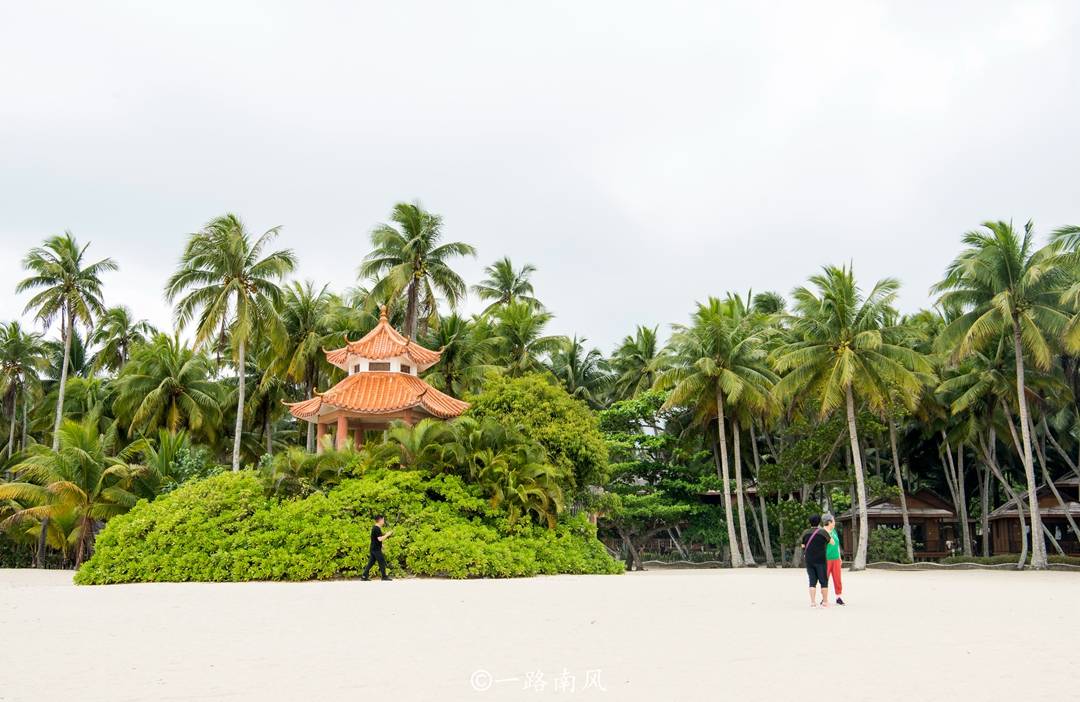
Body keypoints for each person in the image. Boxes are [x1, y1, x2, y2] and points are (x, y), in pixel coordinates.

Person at [800, 514, 830, 608]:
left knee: (812, 581)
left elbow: (802, 545)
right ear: (819, 522)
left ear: (810, 522)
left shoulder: (805, 532)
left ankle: (813, 602)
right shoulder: (823, 532)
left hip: (809, 560)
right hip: (821, 559)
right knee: (823, 581)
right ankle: (825, 602)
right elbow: (829, 541)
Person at [361, 515, 393, 581]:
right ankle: (384, 577)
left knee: (371, 563)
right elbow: (380, 539)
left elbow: (375, 539)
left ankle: (364, 576)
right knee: (382, 561)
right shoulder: (376, 528)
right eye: (383, 520)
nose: (384, 522)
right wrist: (387, 534)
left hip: (374, 548)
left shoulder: (376, 528)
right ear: (380, 520)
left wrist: (382, 546)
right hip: (375, 549)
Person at [822, 513, 844, 606]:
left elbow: (837, 545)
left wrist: (839, 557)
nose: (834, 523)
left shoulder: (834, 531)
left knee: (837, 578)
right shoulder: (822, 532)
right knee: (824, 579)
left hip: (836, 559)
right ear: (829, 522)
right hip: (826, 559)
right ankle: (824, 598)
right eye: (833, 521)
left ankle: (838, 597)